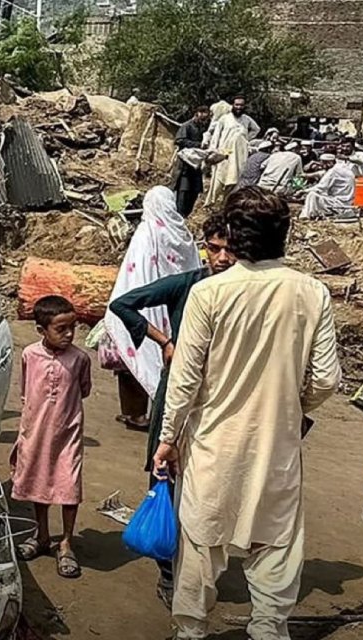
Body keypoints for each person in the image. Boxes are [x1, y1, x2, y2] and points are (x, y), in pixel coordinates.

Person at [153, 187, 340, 640]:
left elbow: (185, 379)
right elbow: (327, 379)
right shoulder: (312, 292)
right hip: (277, 443)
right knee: (276, 543)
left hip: (212, 441)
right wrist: (293, 408)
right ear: (284, 235)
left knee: (200, 541)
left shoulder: (210, 293)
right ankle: (269, 629)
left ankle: (191, 629)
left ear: (234, 235)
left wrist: (168, 437)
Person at [108, 214, 235, 608]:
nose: (223, 257)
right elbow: (124, 303)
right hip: (176, 393)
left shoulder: (241, 292)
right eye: (215, 248)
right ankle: (167, 573)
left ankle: (198, 567)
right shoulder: (189, 283)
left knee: (209, 484)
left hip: (218, 398)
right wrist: (165, 340)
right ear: (204, 248)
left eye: (230, 249)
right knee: (164, 476)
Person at [104, 186, 202, 428]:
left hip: (143, 304)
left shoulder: (146, 232)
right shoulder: (183, 234)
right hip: (177, 307)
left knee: (131, 359)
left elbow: (136, 273)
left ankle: (136, 413)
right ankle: (149, 412)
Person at [9, 295, 91, 576]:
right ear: (41, 330)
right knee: (39, 483)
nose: (69, 334)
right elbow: (26, 391)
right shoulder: (29, 355)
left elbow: (84, 389)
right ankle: (42, 535)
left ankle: (66, 542)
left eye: (73, 328)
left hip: (68, 434)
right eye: (61, 329)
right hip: (35, 432)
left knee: (69, 488)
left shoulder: (80, 359)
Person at [205, 96, 260, 205]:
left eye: (241, 105)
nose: (239, 107)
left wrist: (245, 139)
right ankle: (212, 202)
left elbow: (256, 129)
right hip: (224, 154)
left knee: (234, 179)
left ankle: (227, 203)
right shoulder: (224, 119)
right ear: (233, 105)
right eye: (237, 105)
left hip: (239, 155)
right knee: (219, 178)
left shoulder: (247, 119)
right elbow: (216, 135)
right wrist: (213, 150)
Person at [171, 105, 210, 217]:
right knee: (183, 191)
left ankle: (186, 214)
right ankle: (179, 215)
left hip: (196, 165)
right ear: (196, 113)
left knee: (195, 191)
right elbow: (179, 140)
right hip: (185, 164)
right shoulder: (187, 126)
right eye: (201, 113)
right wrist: (197, 145)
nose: (203, 118)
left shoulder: (203, 128)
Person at [301, 153, 355, 219]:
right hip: (348, 200)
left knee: (312, 195)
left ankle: (306, 215)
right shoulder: (343, 167)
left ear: (329, 163)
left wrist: (303, 191)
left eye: (323, 164)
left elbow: (320, 187)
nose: (322, 166)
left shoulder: (333, 171)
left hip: (340, 202)